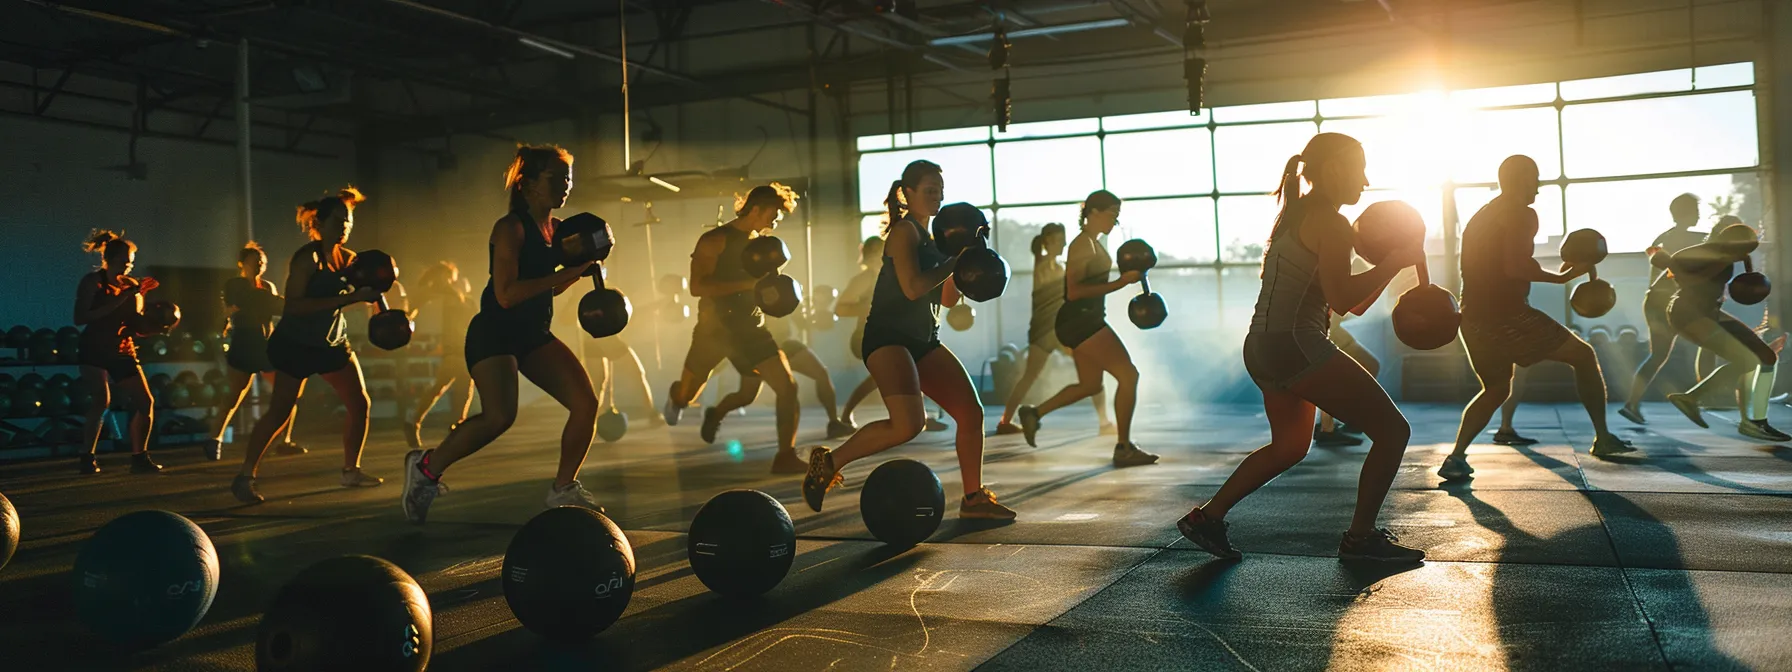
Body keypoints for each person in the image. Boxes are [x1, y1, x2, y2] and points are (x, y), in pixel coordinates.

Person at [1177, 133, 1426, 563]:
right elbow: (1344, 298)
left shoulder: (1299, 214)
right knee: (1393, 431)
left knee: (1290, 446)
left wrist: (1393, 265)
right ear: (1332, 169)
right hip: (1295, 345)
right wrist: (1390, 261)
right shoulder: (1331, 222)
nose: (1365, 181)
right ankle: (1360, 539)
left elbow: (1345, 302)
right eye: (1359, 168)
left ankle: (1208, 517)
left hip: (1263, 346)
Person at [399, 145, 610, 523]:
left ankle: (563, 488)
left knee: (585, 403)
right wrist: (567, 274)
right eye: (556, 178)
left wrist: (584, 271)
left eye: (568, 179)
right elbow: (507, 294)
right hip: (494, 332)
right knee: (499, 417)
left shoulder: (558, 230)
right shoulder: (510, 228)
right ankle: (426, 468)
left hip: (533, 333)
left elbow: (549, 287)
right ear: (527, 184)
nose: (565, 186)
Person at [801, 160, 1015, 520]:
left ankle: (973, 499)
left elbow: (945, 299)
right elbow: (913, 288)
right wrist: (953, 261)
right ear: (909, 192)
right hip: (889, 338)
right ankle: (829, 461)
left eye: (940, 191)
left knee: (971, 412)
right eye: (930, 190)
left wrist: (967, 267)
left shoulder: (935, 240)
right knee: (908, 424)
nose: (937, 197)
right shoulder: (904, 233)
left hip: (923, 340)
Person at [1436, 155, 1634, 484]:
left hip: (1471, 316)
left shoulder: (1483, 215)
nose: (1539, 189)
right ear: (1519, 180)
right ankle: (1603, 438)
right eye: (1535, 180)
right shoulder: (1522, 214)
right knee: (1583, 356)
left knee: (1496, 389)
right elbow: (1514, 266)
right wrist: (1560, 278)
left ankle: (1456, 456)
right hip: (1507, 315)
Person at [232, 187, 386, 503]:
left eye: (349, 221)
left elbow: (369, 291)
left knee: (360, 403)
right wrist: (349, 298)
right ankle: (245, 476)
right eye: (339, 220)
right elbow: (293, 307)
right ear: (322, 223)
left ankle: (351, 471)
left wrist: (380, 306)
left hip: (332, 342)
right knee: (280, 412)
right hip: (297, 343)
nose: (345, 226)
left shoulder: (350, 259)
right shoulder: (307, 259)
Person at [661, 183, 807, 474]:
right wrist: (749, 284)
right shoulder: (714, 240)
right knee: (689, 395)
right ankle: (678, 395)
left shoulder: (763, 245)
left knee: (785, 388)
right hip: (714, 331)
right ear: (756, 209)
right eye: (774, 214)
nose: (776, 221)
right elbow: (697, 287)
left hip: (751, 329)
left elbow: (768, 289)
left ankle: (785, 456)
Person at [1014, 191, 1158, 467]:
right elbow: (1076, 290)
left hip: (1082, 319)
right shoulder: (1082, 245)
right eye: (1112, 215)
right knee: (1129, 375)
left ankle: (1034, 413)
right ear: (1093, 212)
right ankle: (1124, 447)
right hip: (1081, 320)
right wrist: (1121, 282)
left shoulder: (1092, 243)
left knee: (1090, 385)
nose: (1114, 222)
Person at [1660, 222, 1790, 441]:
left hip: (1711, 311)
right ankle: (1693, 398)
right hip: (1687, 314)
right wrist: (1725, 260)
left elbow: (1741, 262)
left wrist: (1750, 273)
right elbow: (1682, 275)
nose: (1744, 254)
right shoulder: (1702, 254)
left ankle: (1756, 421)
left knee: (1767, 357)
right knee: (1747, 361)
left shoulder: (1731, 255)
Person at [996, 222, 1114, 438]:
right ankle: (1104, 422)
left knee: (1086, 371)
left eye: (1064, 240)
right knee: (1086, 370)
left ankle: (1104, 421)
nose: (1063, 244)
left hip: (1052, 330)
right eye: (1059, 241)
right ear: (1048, 242)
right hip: (1052, 331)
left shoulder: (1053, 266)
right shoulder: (1046, 266)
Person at [832, 235, 950, 434]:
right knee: (893, 374)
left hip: (895, 334)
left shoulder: (893, 276)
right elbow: (840, 309)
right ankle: (846, 415)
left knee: (911, 369)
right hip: (870, 335)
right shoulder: (865, 278)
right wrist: (871, 306)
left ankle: (919, 416)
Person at [71, 230, 161, 475]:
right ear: (108, 260)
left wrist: (160, 325)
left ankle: (139, 458)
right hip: (94, 348)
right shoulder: (93, 282)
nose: (128, 268)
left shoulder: (132, 287)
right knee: (102, 400)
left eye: (130, 264)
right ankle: (86, 457)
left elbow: (135, 326)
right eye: (123, 263)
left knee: (146, 402)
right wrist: (124, 297)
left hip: (122, 350)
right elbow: (80, 317)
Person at [210, 242, 306, 462]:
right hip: (245, 342)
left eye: (262, 261)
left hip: (267, 344)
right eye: (255, 261)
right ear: (242, 264)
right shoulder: (235, 284)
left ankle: (285, 440)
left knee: (287, 391)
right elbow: (242, 304)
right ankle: (215, 438)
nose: (259, 265)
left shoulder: (268, 286)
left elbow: (274, 307)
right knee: (235, 395)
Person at [1620, 194, 1710, 424]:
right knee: (1710, 341)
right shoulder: (1681, 238)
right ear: (1686, 213)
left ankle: (1632, 404)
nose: (1699, 216)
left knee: (1659, 354)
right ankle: (1703, 396)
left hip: (1658, 302)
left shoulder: (1667, 237)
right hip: (1664, 303)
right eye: (1696, 211)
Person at [724, 313, 852, 438]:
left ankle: (834, 422)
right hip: (762, 348)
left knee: (820, 374)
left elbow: (800, 318)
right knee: (747, 396)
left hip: (787, 345)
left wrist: (807, 318)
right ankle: (716, 413)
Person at [404, 261, 478, 449]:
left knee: (448, 387)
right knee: (456, 386)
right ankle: (453, 426)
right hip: (456, 348)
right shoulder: (445, 294)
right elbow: (413, 307)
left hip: (462, 347)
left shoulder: (456, 295)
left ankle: (418, 421)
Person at [1313, 310, 1377, 446]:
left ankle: (1332, 425)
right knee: (1367, 365)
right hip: (1325, 331)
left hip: (1325, 329)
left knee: (1367, 365)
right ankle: (1328, 428)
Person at [584, 334, 663, 426]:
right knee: (598, 384)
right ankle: (589, 421)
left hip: (598, 335)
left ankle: (589, 421)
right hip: (599, 335)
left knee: (598, 384)